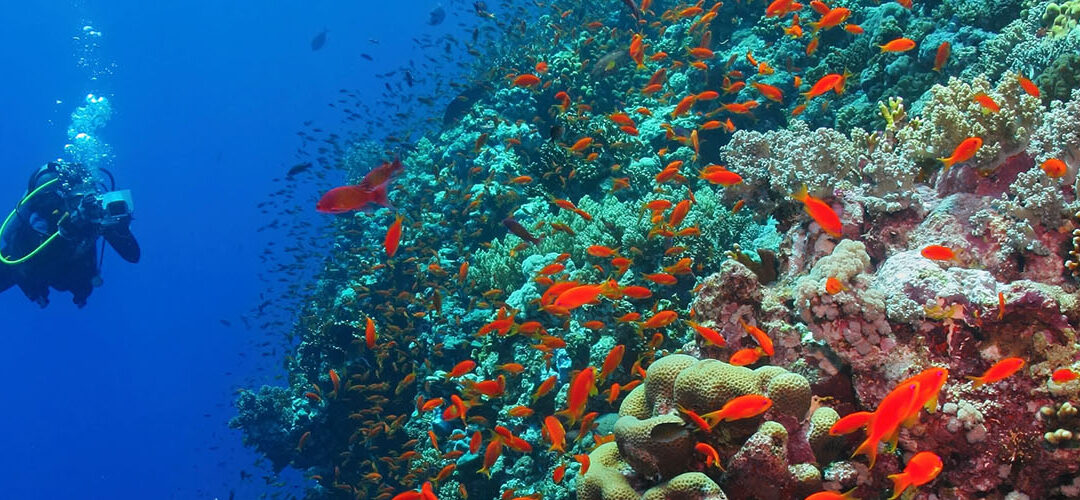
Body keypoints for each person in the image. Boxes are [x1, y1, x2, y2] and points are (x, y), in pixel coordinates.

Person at [0, 161, 139, 307]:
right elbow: (38, 264)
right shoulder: (50, 214)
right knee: (19, 264)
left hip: (72, 275)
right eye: (76, 201)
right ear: (64, 199)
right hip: (30, 267)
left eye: (88, 200)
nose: (83, 207)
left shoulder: (96, 215)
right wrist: (67, 230)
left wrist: (122, 231)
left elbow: (133, 255)